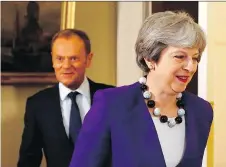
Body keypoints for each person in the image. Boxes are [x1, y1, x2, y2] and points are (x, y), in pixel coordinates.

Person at [69, 11, 213, 167]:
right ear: (150, 59)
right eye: (180, 56)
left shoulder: (201, 111)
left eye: (195, 58)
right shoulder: (111, 104)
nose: (190, 67)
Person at [17, 29, 114, 167]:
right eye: (60, 59)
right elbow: (28, 161)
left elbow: (128, 150)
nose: (66, 66)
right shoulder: (38, 105)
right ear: (52, 60)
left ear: (88, 59)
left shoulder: (112, 97)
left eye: (73, 58)